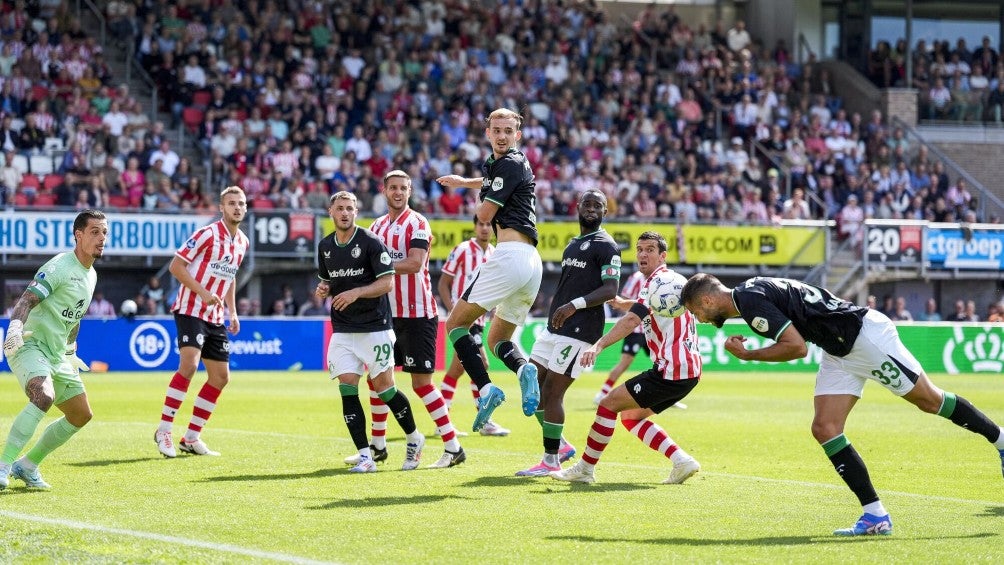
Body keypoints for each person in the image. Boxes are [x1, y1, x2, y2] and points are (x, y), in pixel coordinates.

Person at [679, 274, 1004, 536]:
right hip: (838, 349)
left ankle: (1000, 439)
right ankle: (875, 514)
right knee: (825, 428)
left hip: (864, 338)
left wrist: (749, 355)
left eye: (696, 312)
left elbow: (795, 348)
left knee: (930, 401)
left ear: (707, 300)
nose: (700, 319)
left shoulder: (748, 302)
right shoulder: (752, 287)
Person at [550, 231, 702, 485]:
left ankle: (585, 469)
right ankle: (681, 460)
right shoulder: (671, 279)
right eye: (640, 249)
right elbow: (656, 305)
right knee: (632, 417)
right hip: (689, 370)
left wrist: (598, 346)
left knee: (608, 404)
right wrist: (627, 303)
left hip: (671, 369)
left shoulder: (655, 282)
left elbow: (633, 321)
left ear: (662, 256)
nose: (643, 254)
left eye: (650, 250)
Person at [437, 108, 543, 432]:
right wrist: (464, 182)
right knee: (498, 339)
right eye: (496, 130)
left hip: (508, 255)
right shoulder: (511, 165)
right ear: (487, 132)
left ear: (517, 135)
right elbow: (491, 182)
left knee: (455, 325)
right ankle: (524, 368)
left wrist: (477, 196)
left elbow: (485, 213)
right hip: (532, 264)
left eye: (508, 131)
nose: (501, 136)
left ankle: (485, 389)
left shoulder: (508, 162)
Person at [352, 169, 465, 468]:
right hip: (387, 317)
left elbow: (415, 263)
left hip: (418, 314)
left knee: (422, 384)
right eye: (393, 188)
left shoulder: (418, 223)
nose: (398, 192)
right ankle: (378, 445)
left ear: (410, 191)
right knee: (377, 379)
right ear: (384, 190)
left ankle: (453, 446)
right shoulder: (375, 227)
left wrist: (377, 268)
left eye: (403, 188)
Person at [317, 191, 424, 472]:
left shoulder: (371, 242)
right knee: (347, 389)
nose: (345, 213)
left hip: (375, 327)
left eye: (350, 208)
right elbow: (328, 282)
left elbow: (387, 283)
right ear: (331, 211)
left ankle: (414, 438)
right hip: (342, 330)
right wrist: (324, 289)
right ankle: (365, 456)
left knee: (384, 389)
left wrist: (357, 293)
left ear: (356, 211)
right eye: (340, 208)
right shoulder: (325, 246)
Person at [516, 189, 620, 477]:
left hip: (580, 329)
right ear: (577, 207)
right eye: (587, 203)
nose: (591, 208)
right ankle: (559, 445)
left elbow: (611, 290)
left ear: (605, 212)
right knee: (532, 386)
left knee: (552, 393)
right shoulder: (573, 245)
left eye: (597, 205)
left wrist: (574, 305)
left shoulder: (606, 246)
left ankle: (551, 460)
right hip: (554, 328)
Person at [1, 210, 108, 490]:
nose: (101, 238)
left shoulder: (91, 275)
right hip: (29, 343)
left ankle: (27, 465)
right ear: (79, 235)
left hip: (57, 354)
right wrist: (13, 329)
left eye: (104, 233)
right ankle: (3, 465)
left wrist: (71, 351)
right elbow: (26, 299)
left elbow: (74, 317)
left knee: (81, 415)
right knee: (43, 395)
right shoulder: (60, 266)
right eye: (95, 232)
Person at [153, 186, 249, 458]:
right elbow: (176, 266)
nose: (237, 208)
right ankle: (164, 430)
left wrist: (232, 311)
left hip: (216, 316)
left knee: (220, 377)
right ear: (222, 207)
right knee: (190, 365)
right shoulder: (206, 234)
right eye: (231, 203)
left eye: (241, 203)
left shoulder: (242, 241)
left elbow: (229, 277)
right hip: (190, 308)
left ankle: (192, 437)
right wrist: (204, 293)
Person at [437, 215, 510, 437]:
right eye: (482, 224)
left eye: (489, 224)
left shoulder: (493, 253)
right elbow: (443, 283)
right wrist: (453, 312)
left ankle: (443, 421)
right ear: (475, 226)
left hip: (478, 320)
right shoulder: (461, 250)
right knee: (482, 364)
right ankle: (482, 419)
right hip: (463, 320)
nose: (485, 228)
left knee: (457, 369)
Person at [594, 269, 647, 404]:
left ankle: (667, 393)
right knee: (624, 363)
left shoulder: (659, 278)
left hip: (651, 328)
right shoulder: (636, 277)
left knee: (663, 359)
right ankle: (603, 393)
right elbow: (624, 298)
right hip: (636, 328)